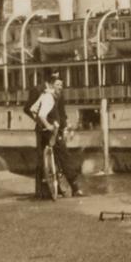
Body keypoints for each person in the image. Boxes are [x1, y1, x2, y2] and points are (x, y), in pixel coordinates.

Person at [27, 71, 82, 199]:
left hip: (45, 130)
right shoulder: (49, 97)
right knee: (63, 155)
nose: (60, 88)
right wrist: (47, 125)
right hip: (51, 131)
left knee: (46, 159)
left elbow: (32, 109)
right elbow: (39, 113)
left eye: (61, 85)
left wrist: (40, 123)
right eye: (57, 85)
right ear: (51, 84)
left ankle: (45, 191)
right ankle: (74, 188)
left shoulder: (47, 94)